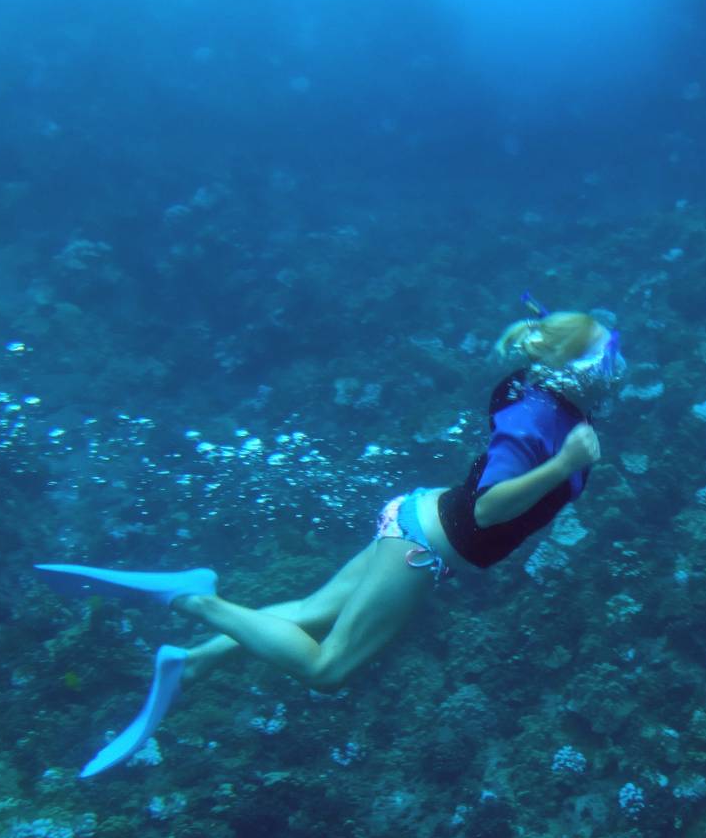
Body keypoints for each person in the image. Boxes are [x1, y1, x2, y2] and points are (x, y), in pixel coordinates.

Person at [37, 305, 623, 777]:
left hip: (416, 519)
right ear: (573, 364)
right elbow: (492, 507)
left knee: (310, 613)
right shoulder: (538, 418)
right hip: (422, 547)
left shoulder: (553, 401)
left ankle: (190, 663)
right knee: (327, 670)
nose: (618, 362)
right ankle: (196, 600)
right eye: (607, 352)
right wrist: (562, 463)